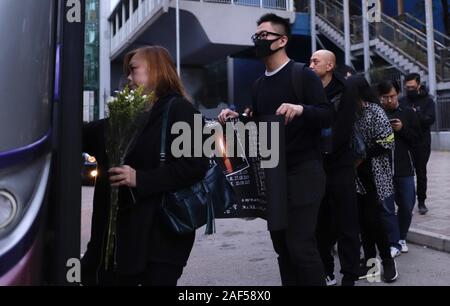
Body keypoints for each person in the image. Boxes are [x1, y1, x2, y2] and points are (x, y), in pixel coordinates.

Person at [219, 13, 333, 286]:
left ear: (281, 40)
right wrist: (237, 120)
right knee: (282, 247)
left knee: (301, 246)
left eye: (263, 35)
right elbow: (259, 125)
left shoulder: (302, 74)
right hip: (273, 174)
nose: (257, 40)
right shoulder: (258, 84)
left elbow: (327, 114)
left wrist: (301, 108)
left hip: (304, 171)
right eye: (256, 35)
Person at [81, 46, 209, 285]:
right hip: (123, 238)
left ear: (157, 70)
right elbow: (85, 134)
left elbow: (196, 165)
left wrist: (140, 179)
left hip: (162, 237)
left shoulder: (180, 110)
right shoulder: (127, 114)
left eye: (133, 70)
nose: (128, 78)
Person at [309, 50, 360, 286]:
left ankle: (350, 273)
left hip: (340, 165)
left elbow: (343, 129)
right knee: (320, 223)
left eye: (315, 61)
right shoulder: (308, 89)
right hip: (315, 165)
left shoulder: (346, 91)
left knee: (347, 222)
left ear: (329, 66)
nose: (310, 64)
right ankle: (326, 269)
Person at [351, 76, 398, 283]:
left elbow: (387, 142)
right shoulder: (348, 113)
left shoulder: (375, 111)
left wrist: (362, 157)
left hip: (373, 173)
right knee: (363, 222)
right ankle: (371, 264)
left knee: (373, 220)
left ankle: (388, 261)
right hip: (354, 176)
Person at [379, 80, 421, 254]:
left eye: (393, 96)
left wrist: (402, 129)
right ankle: (393, 241)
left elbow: (417, 139)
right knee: (387, 208)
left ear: (398, 94)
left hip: (404, 168)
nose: (390, 100)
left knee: (407, 204)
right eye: (386, 97)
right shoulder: (377, 112)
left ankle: (402, 236)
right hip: (383, 168)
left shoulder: (407, 112)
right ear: (380, 97)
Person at [399, 73, 436, 215]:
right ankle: (405, 201)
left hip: (422, 143)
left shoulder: (428, 101)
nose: (410, 90)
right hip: (405, 142)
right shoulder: (402, 101)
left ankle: (421, 201)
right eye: (407, 87)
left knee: (421, 172)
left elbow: (429, 120)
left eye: (413, 87)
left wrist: (415, 114)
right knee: (404, 172)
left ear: (419, 85)